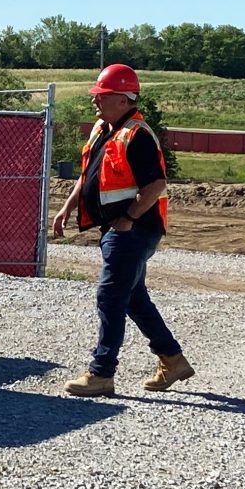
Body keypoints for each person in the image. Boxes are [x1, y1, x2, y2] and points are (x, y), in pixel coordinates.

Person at [52, 63, 194, 397]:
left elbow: (157, 183)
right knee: (132, 298)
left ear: (124, 98)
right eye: (96, 96)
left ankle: (102, 374)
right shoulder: (104, 129)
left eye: (102, 96)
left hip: (133, 231)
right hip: (120, 229)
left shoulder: (137, 135)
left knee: (110, 295)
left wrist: (129, 218)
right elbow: (87, 176)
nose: (95, 102)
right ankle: (173, 360)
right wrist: (67, 207)